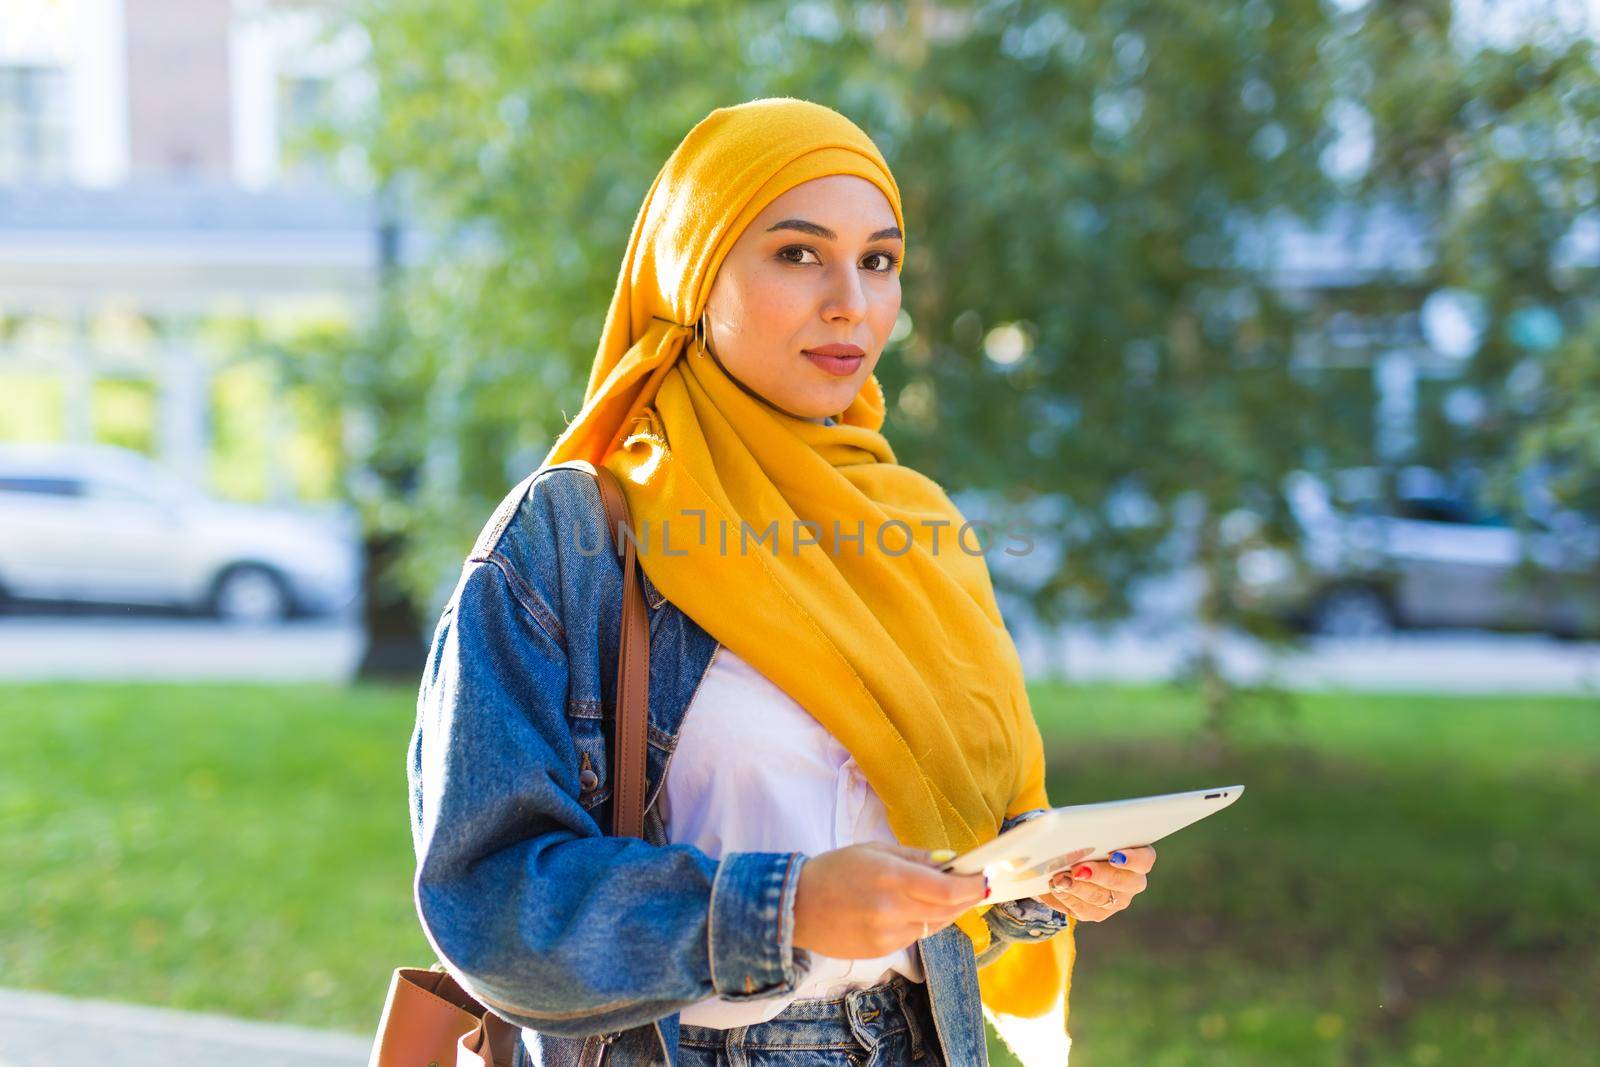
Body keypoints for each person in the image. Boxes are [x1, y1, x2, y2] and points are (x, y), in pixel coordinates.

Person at [408, 97, 1157, 1067]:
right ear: (694, 269)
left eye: (878, 260)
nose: (850, 299)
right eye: (798, 253)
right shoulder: (577, 534)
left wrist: (1031, 883)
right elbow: (490, 898)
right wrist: (787, 906)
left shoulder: (913, 523)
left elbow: (932, 847)